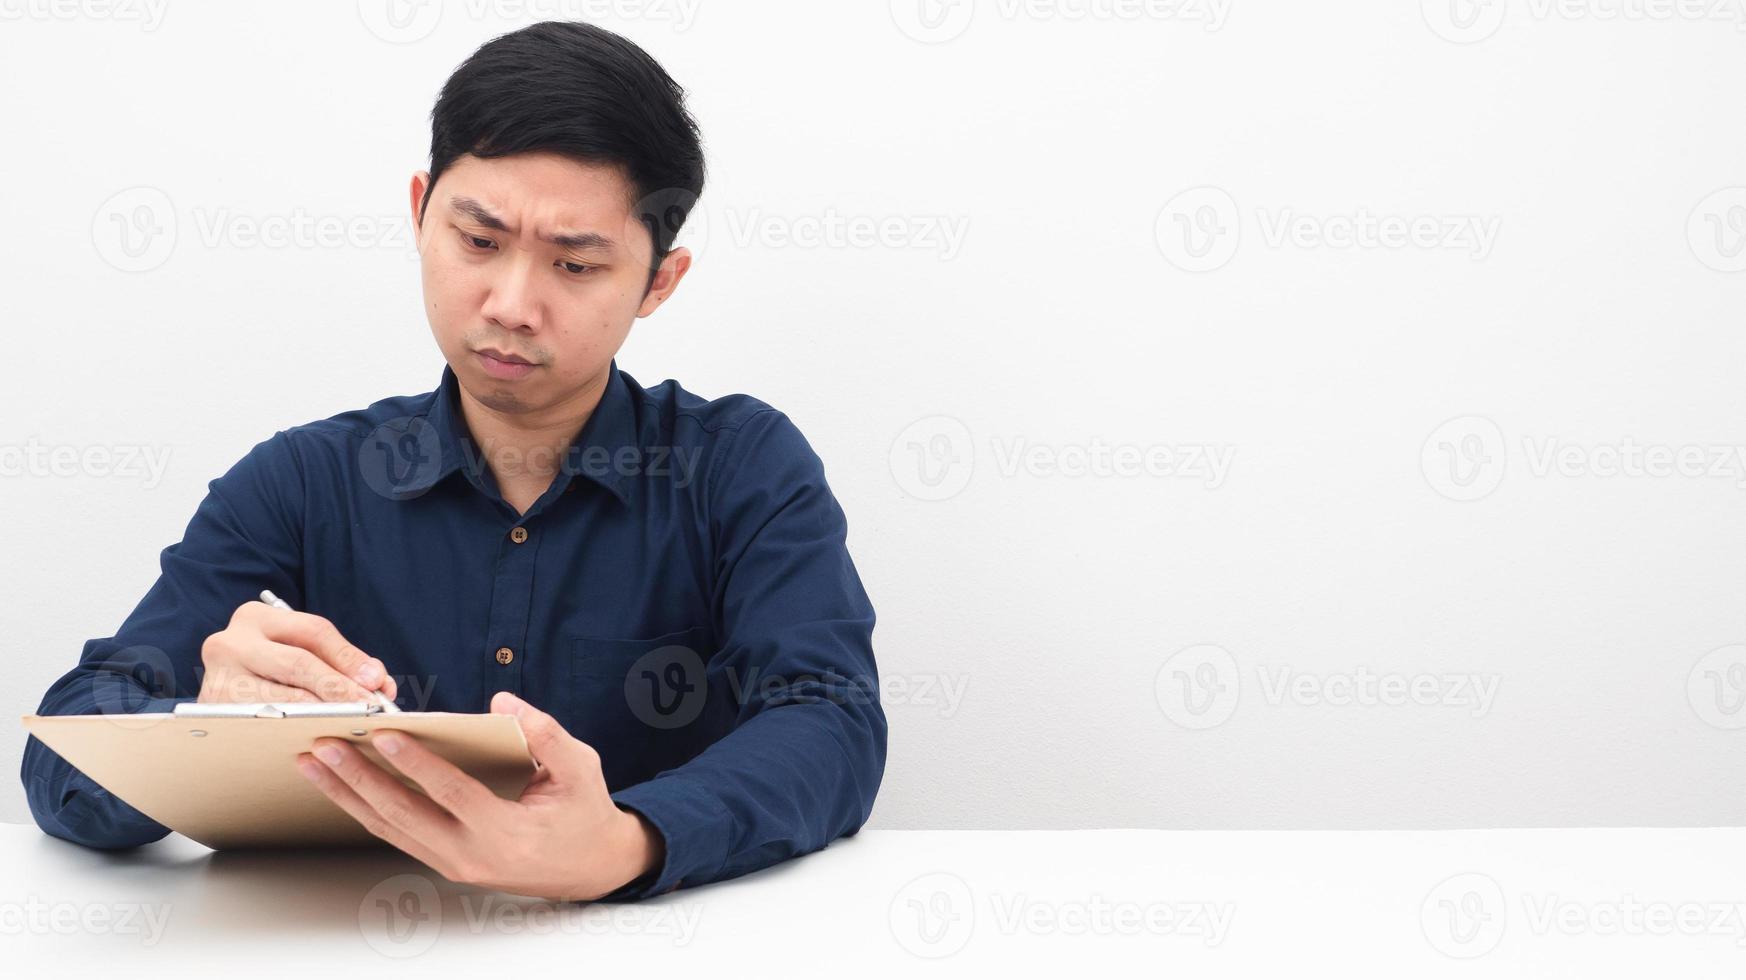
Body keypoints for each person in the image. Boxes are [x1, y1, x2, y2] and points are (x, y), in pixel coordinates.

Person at [21, 20, 886, 903]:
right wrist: (200, 723)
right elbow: (61, 757)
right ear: (419, 213)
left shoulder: (742, 469)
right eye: (478, 241)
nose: (511, 304)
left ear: (659, 281)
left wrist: (630, 840)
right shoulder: (302, 483)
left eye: (576, 265)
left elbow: (831, 718)